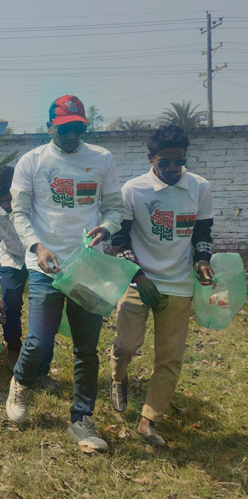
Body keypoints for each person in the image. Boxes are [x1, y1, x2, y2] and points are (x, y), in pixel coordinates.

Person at [6, 95, 124, 452]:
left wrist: (106, 227)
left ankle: (82, 419)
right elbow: (19, 213)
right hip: (46, 266)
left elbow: (115, 207)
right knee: (40, 340)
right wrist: (37, 247)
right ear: (50, 127)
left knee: (86, 348)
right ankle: (21, 384)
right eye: (65, 128)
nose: (72, 134)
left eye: (78, 128)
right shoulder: (33, 161)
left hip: (88, 266)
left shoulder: (102, 159)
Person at [110, 125, 214, 448]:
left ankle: (148, 420)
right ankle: (117, 378)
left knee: (169, 358)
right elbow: (119, 238)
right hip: (138, 279)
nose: (171, 170)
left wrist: (202, 261)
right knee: (126, 345)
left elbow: (202, 235)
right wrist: (138, 276)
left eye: (178, 163)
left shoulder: (199, 188)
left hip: (178, 285)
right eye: (164, 163)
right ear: (150, 158)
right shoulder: (134, 190)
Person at [0, 166, 55, 379]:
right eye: (0, 201)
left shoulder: (38, 202)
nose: (6, 206)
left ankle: (42, 360)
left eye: (9, 199)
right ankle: (13, 348)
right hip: (12, 257)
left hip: (40, 254)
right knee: (10, 302)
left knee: (45, 304)